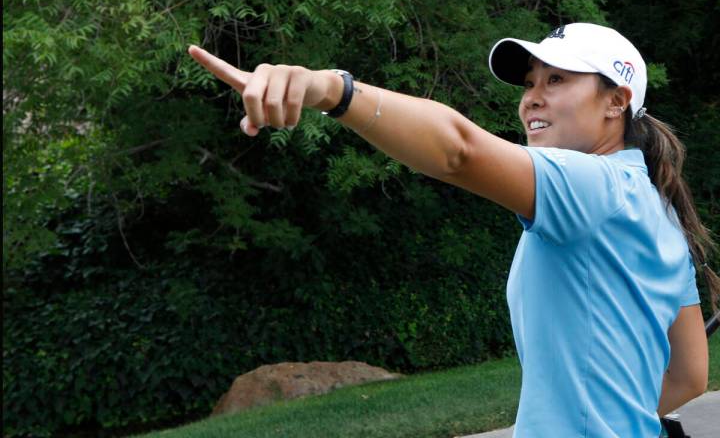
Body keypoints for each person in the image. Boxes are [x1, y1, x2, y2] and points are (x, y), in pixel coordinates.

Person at [188, 22, 719, 437]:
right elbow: (689, 375)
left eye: (557, 79)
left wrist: (331, 90)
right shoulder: (654, 205)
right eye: (530, 82)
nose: (532, 96)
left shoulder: (590, 188)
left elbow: (458, 151)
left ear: (616, 101)